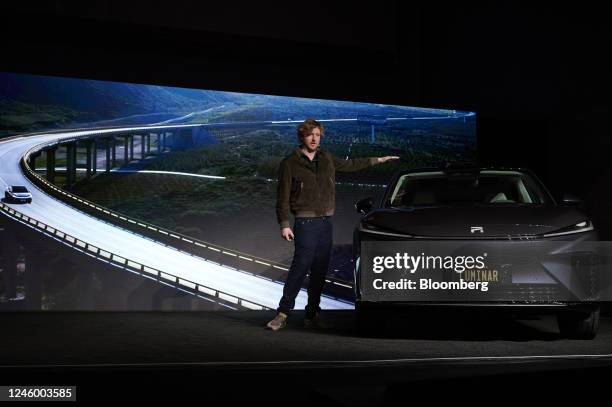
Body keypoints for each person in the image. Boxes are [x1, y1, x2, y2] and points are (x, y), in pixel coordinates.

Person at [266, 118, 399, 330]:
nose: (314, 139)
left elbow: (351, 165)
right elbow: (281, 198)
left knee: (320, 270)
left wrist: (378, 160)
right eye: (310, 134)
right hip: (305, 222)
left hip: (326, 222)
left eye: (318, 135)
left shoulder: (326, 157)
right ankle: (282, 313)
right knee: (299, 268)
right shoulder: (289, 163)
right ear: (302, 136)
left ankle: (312, 313)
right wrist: (284, 223)